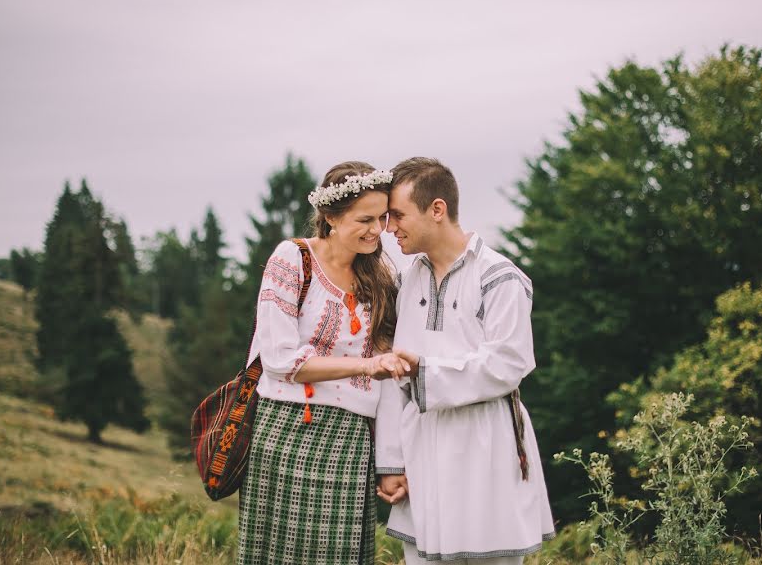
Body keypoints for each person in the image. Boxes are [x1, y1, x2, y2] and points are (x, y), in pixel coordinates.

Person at [376, 157, 556, 564]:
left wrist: (427, 373)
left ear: (436, 209)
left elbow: (509, 363)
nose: (389, 228)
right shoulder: (406, 282)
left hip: (485, 446)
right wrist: (391, 461)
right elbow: (391, 376)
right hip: (421, 450)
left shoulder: (499, 277)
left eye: (398, 215)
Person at [237, 161, 409, 565]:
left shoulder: (382, 277)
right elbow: (279, 359)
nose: (377, 229)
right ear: (330, 217)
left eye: (382, 218)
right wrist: (364, 366)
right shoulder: (293, 259)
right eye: (364, 219)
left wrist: (389, 461)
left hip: (350, 440)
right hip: (285, 431)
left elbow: (387, 381)